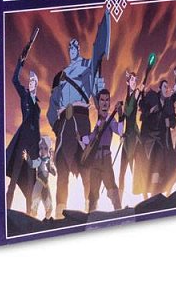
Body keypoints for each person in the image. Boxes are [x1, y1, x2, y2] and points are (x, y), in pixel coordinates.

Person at [47, 17, 109, 217]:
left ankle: (92, 209)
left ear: (79, 48)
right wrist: (56, 126)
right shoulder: (60, 76)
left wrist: (102, 107)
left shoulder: (88, 66)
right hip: (64, 126)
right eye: (69, 48)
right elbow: (52, 106)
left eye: (74, 47)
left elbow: (98, 91)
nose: (71, 50)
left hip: (81, 122)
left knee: (86, 166)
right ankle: (60, 213)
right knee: (62, 169)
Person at [5, 55, 41, 209]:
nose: (31, 84)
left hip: (33, 145)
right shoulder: (24, 96)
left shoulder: (37, 105)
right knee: (14, 178)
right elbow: (14, 80)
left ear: (36, 85)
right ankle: (7, 209)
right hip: (21, 142)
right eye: (30, 82)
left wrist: (39, 149)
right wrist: (20, 63)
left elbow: (37, 128)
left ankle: (29, 213)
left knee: (31, 182)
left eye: (34, 82)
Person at [81, 90, 124, 213]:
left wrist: (120, 114)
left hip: (105, 160)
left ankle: (119, 213)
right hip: (95, 161)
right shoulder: (98, 121)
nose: (105, 103)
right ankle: (91, 216)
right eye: (102, 100)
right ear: (98, 103)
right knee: (93, 194)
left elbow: (119, 131)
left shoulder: (110, 119)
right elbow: (92, 138)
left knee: (112, 190)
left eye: (107, 100)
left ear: (109, 103)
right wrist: (82, 138)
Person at [139, 78, 176, 197]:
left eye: (167, 87)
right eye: (164, 86)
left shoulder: (168, 104)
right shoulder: (152, 97)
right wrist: (150, 111)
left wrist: (169, 122)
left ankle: (158, 195)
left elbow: (173, 122)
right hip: (151, 140)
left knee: (168, 168)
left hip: (164, 142)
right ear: (159, 88)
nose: (166, 89)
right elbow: (142, 105)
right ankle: (154, 195)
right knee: (154, 168)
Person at [118, 70, 144, 197]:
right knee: (122, 172)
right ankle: (119, 202)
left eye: (135, 80)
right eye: (132, 80)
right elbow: (122, 119)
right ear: (128, 82)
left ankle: (145, 197)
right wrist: (121, 134)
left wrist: (141, 91)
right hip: (126, 137)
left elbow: (132, 109)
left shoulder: (136, 93)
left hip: (134, 136)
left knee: (136, 170)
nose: (134, 82)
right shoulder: (127, 98)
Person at [23, 136, 56, 220]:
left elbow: (54, 173)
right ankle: (33, 220)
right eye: (41, 148)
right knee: (34, 203)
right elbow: (32, 164)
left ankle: (47, 221)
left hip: (45, 185)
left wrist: (51, 161)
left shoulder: (48, 161)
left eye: (45, 148)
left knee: (49, 205)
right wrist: (27, 157)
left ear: (48, 149)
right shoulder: (39, 160)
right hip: (39, 184)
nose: (42, 150)